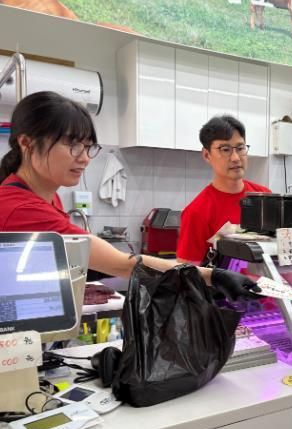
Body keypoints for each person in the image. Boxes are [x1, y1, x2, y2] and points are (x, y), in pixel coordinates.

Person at [0, 91, 258, 301]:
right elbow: (123, 264)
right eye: (73, 145)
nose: (85, 158)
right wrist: (214, 277)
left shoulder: (48, 198)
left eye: (88, 147)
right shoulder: (19, 207)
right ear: (27, 143)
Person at [176, 115, 270, 265]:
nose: (235, 158)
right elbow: (187, 272)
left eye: (240, 148)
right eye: (225, 149)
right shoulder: (197, 212)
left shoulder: (265, 198)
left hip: (266, 279)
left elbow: (279, 256)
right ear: (207, 155)